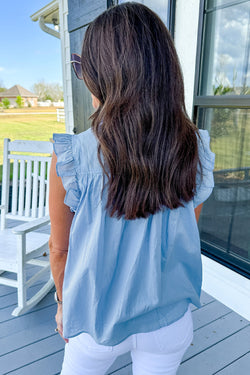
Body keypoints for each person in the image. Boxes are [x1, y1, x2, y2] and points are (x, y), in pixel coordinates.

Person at [49, 2, 215, 375]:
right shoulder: (196, 151)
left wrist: (63, 305)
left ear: (102, 76)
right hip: (168, 318)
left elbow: (60, 251)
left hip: (94, 320)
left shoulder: (72, 157)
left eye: (83, 69)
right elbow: (185, 234)